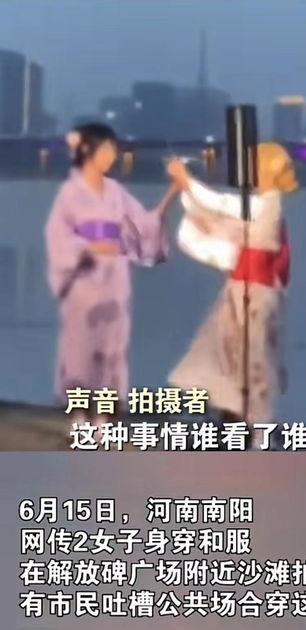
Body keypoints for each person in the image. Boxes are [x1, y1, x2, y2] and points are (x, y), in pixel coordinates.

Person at [45, 123, 178, 427]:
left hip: (115, 279)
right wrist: (87, 248)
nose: (111, 156)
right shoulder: (69, 193)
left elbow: (144, 224)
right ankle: (79, 418)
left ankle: (103, 419)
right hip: (84, 281)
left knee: (113, 351)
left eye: (112, 150)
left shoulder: (116, 192)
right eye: (106, 150)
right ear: (88, 151)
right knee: (80, 351)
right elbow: (58, 239)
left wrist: (172, 194)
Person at [167, 143, 297, 443]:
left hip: (255, 295)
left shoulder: (267, 205)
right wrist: (187, 190)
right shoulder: (259, 205)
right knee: (227, 354)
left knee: (252, 363)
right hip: (242, 290)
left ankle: (256, 431)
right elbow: (220, 213)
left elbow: (222, 205)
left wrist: (187, 182)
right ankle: (234, 418)